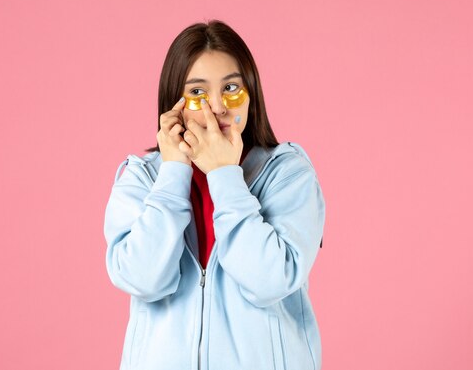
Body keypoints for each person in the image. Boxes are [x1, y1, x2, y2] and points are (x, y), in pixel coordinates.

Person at [104, 20, 326, 370]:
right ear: (173, 102)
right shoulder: (142, 178)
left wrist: (225, 174)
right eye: (197, 93)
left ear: (251, 94)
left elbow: (271, 280)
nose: (219, 106)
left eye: (232, 87)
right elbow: (141, 278)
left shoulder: (288, 175)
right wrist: (173, 171)